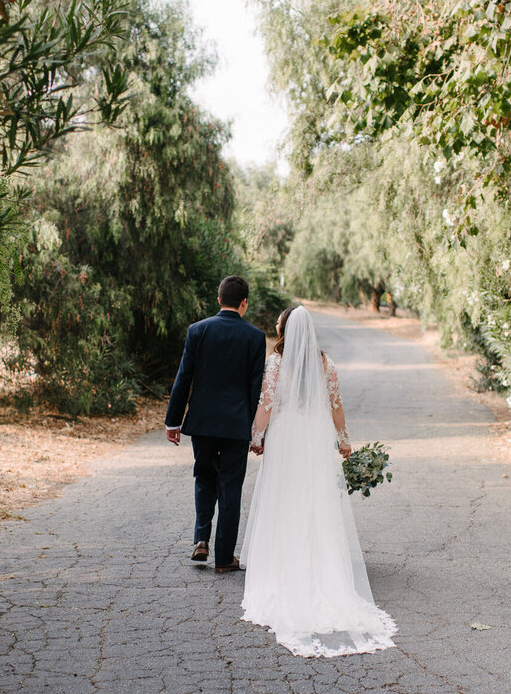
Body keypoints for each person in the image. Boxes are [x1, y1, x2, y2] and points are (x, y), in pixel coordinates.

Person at [242, 305, 396, 657]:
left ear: (285, 331)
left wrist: (256, 436)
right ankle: (322, 570)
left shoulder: (276, 363)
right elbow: (336, 406)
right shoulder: (326, 363)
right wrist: (343, 439)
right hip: (313, 437)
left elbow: (266, 404)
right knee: (315, 501)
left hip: (286, 438)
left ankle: (285, 570)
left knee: (284, 501)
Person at [165, 276, 266, 573]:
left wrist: (173, 420)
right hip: (236, 426)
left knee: (204, 478)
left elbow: (184, 378)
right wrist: (256, 431)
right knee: (231, 488)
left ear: (218, 299)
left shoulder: (198, 331)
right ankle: (224, 558)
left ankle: (201, 540)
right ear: (244, 302)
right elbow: (255, 387)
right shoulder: (254, 336)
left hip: (203, 424)